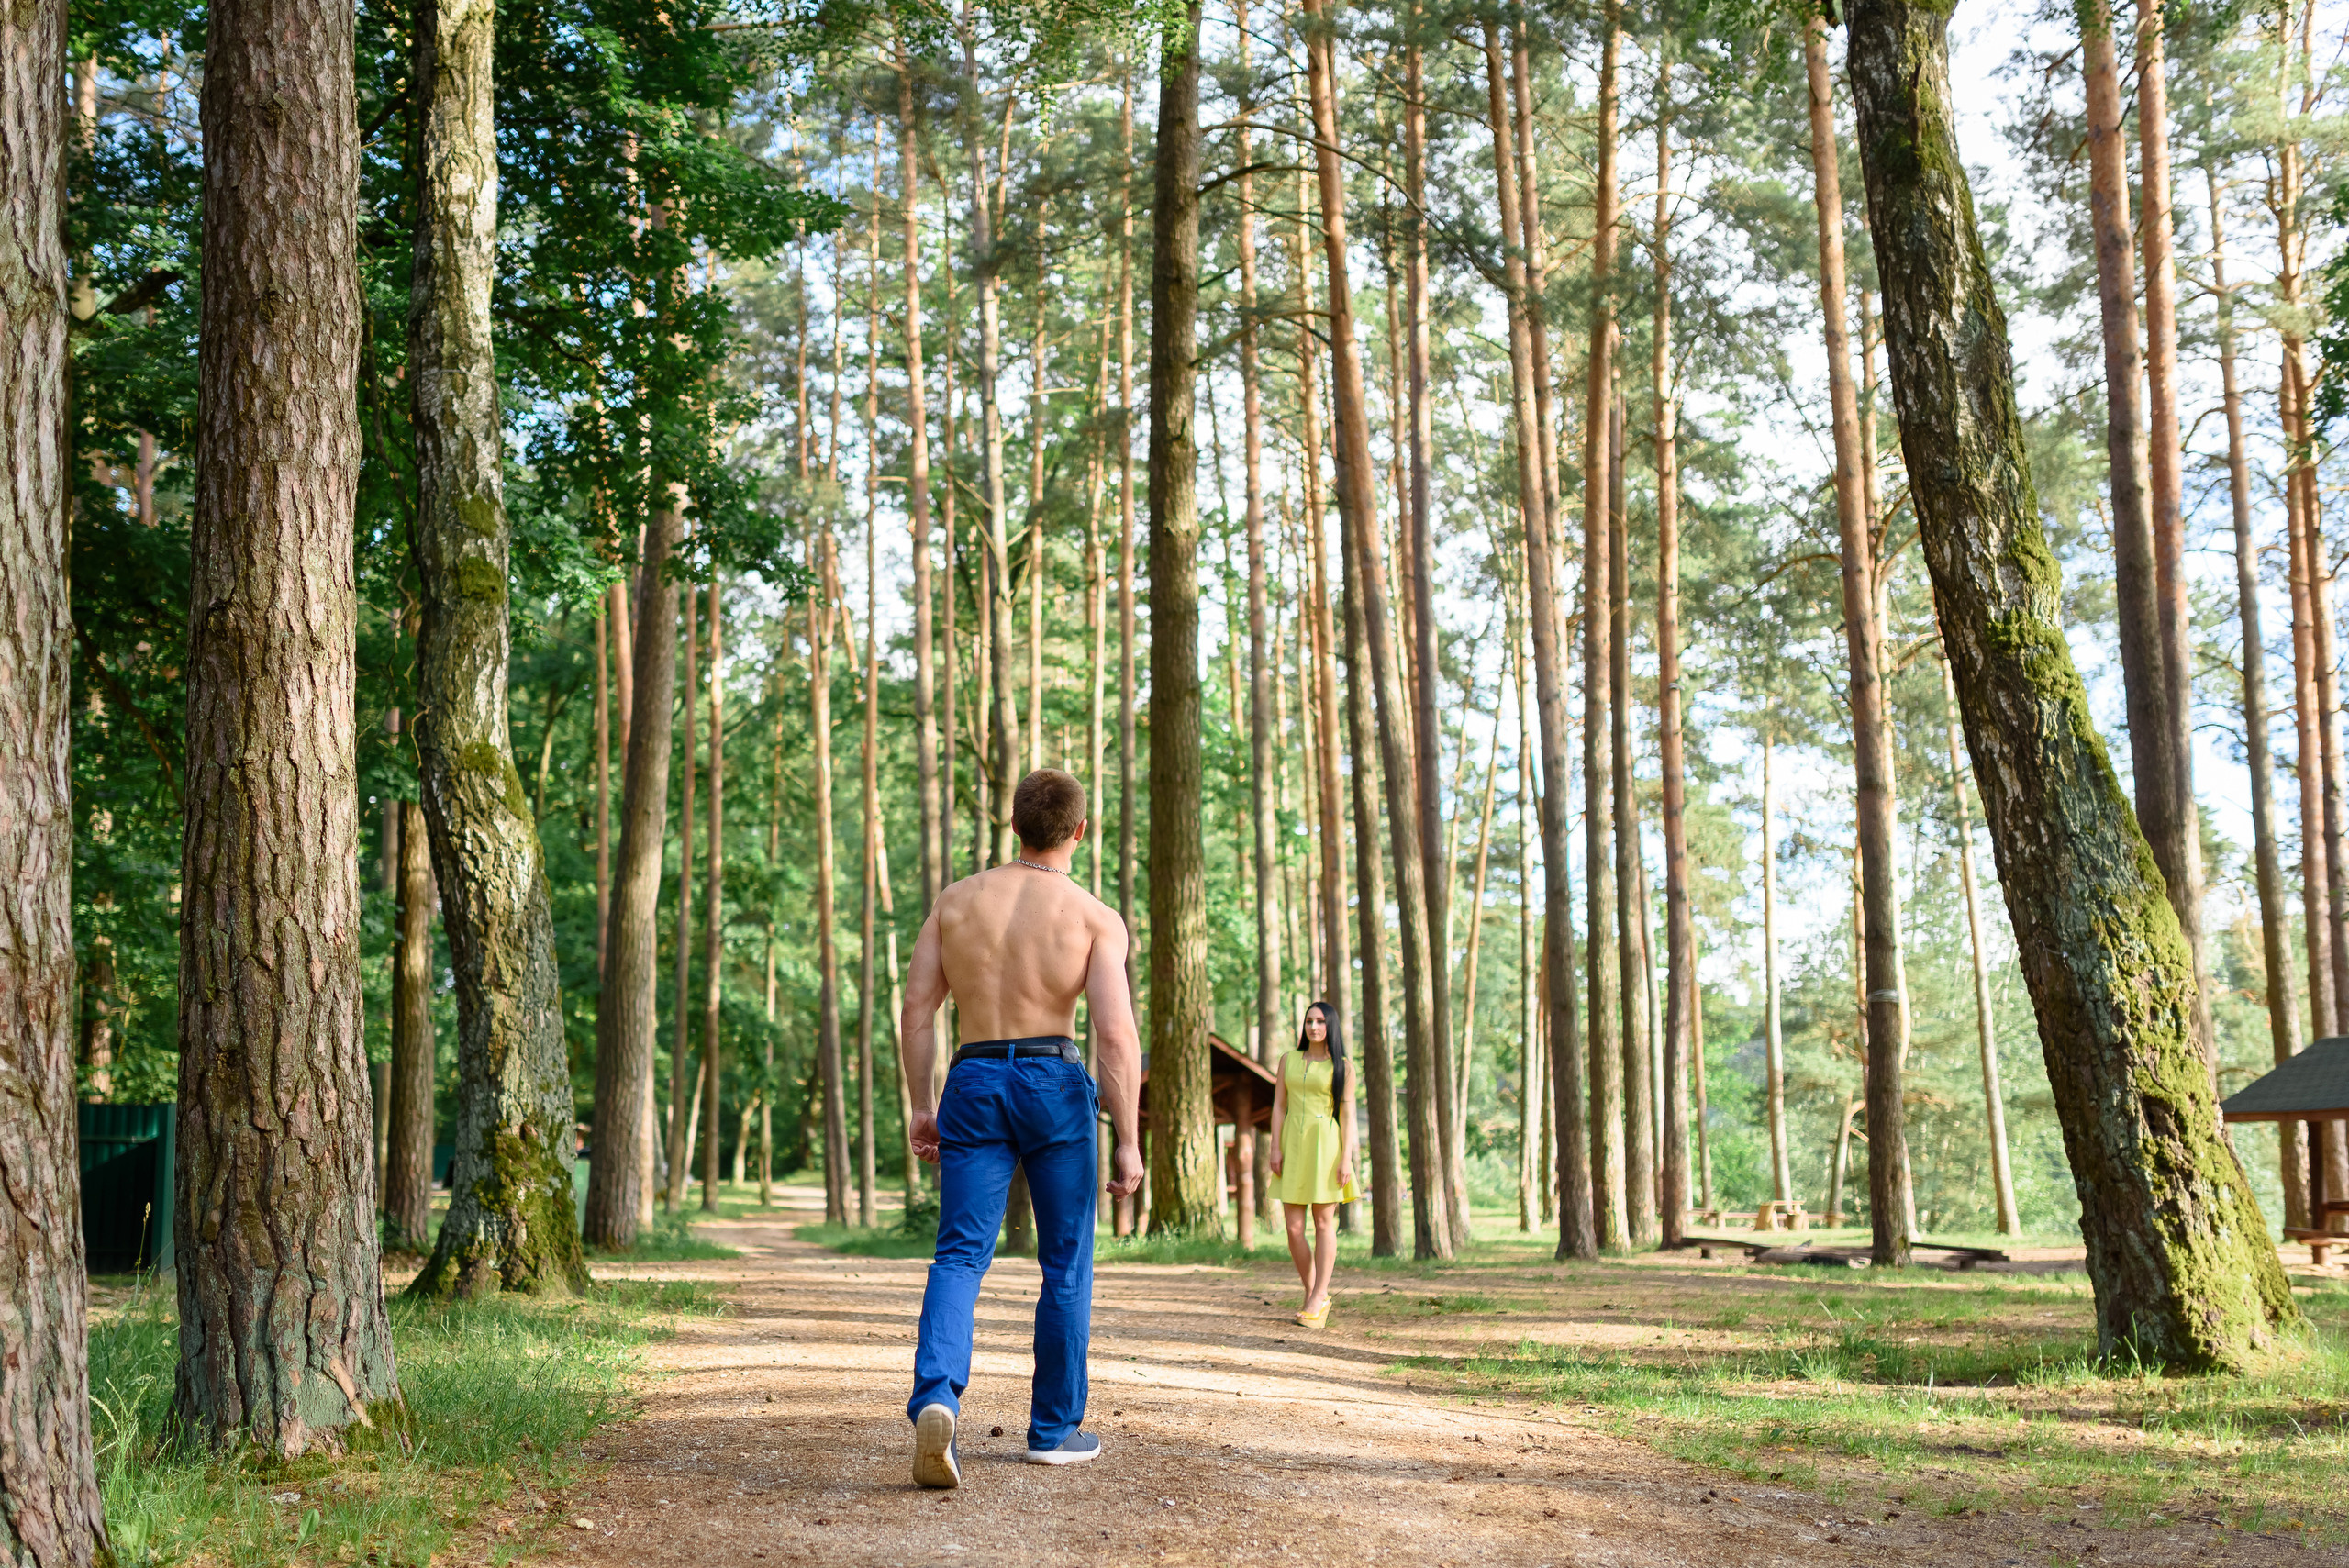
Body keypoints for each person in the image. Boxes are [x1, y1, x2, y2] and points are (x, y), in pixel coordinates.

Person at [896, 768, 1145, 1490]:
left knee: (961, 1255)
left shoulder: (956, 903)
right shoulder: (1094, 917)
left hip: (973, 1077)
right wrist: (1126, 1137)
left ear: (1012, 826)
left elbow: (917, 1010)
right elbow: (1116, 1037)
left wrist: (924, 1101)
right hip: (1052, 1077)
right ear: (1079, 831)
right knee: (1064, 1261)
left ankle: (937, 1396)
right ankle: (1053, 1429)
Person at [1268, 1001, 1355, 1328]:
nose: (1314, 1027)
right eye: (1309, 1021)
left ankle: (1319, 1295)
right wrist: (1275, 1146)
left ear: (1330, 1025)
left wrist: (1346, 1158)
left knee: (1322, 1223)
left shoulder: (1343, 1066)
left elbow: (1347, 1116)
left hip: (1327, 1144)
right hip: (1292, 1141)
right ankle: (1313, 1292)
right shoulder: (1288, 1060)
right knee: (1293, 1227)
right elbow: (1278, 1106)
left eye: (1320, 1021)